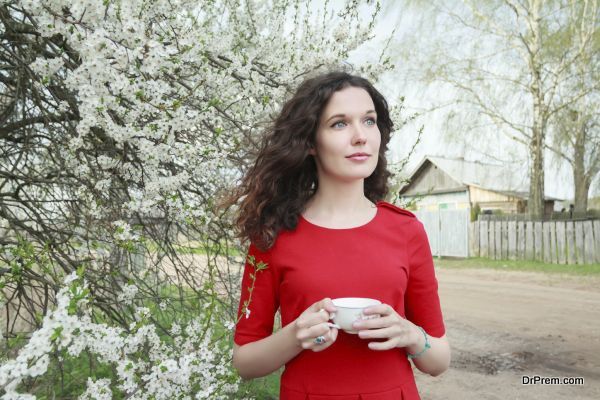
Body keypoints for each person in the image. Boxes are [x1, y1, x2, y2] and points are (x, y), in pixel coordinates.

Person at [225, 71, 450, 399]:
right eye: (340, 124)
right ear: (311, 142)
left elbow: (439, 360)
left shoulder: (407, 231)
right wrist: (296, 335)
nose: (360, 136)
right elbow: (245, 362)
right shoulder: (273, 235)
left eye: (369, 121)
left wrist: (410, 334)